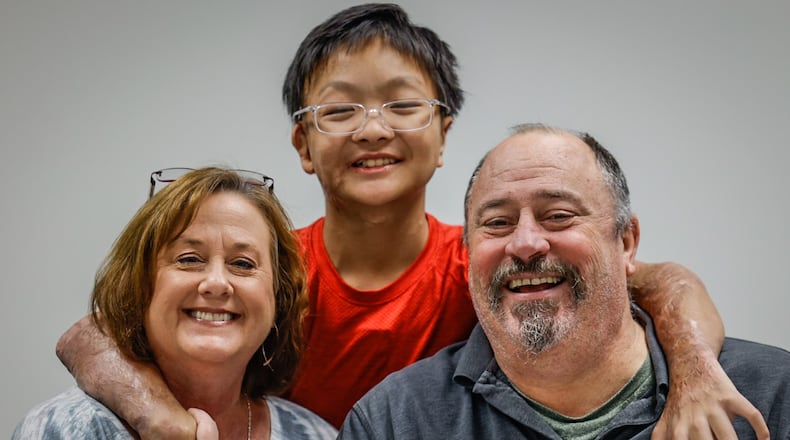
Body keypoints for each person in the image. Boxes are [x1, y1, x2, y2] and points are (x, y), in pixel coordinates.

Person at [55, 3, 765, 437]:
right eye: (338, 110)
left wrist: (697, 375)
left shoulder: (495, 265)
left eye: (402, 104)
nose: (372, 129)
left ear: (444, 133)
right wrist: (155, 418)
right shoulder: (263, 277)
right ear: (302, 144)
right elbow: (92, 334)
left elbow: (663, 282)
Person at [337, 123, 790, 439]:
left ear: (627, 242)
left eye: (559, 216)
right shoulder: (394, 422)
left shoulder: (770, 395)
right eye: (497, 223)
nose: (526, 243)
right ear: (468, 253)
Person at [14, 168, 337, 439]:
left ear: (277, 300)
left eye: (242, 264)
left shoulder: (316, 435)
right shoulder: (67, 429)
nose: (216, 283)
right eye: (189, 259)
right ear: (141, 287)